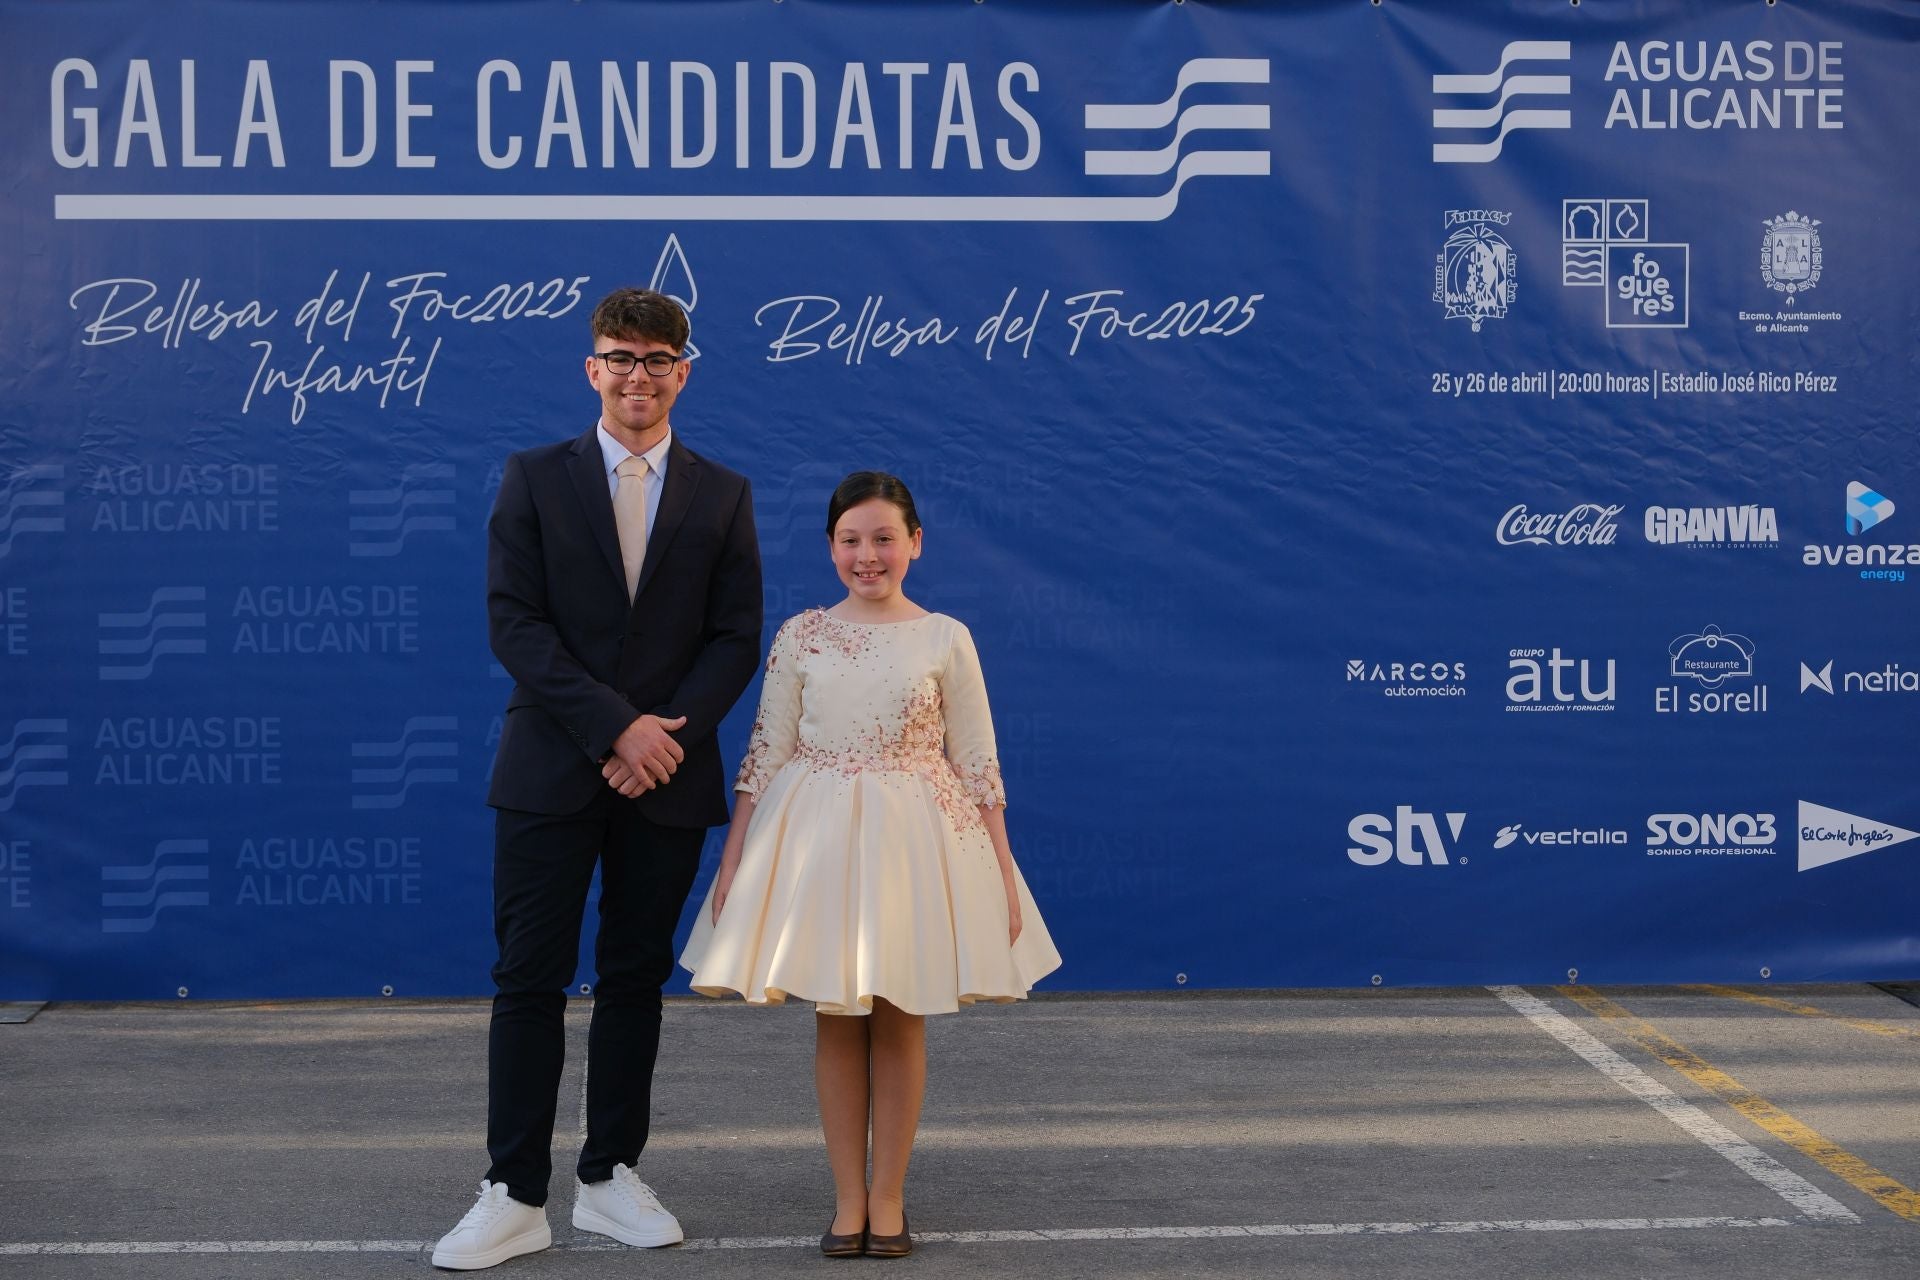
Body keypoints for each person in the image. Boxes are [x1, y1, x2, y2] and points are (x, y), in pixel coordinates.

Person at [433, 288, 763, 1270]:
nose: (638, 375)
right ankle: (514, 1192)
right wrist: (617, 726)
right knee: (528, 977)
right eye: (621, 356)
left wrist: (664, 737)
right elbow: (514, 623)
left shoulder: (723, 492)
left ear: (682, 373)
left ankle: (611, 1175)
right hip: (549, 766)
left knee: (634, 978)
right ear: (593, 368)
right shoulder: (534, 477)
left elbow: (735, 636)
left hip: (668, 775)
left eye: (658, 359)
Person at [679, 470, 1061, 1260]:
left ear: (915, 543)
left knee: (900, 1013)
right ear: (830, 547)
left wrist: (1001, 865)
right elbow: (767, 748)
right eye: (851, 540)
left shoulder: (946, 637)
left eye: (884, 538)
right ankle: (846, 1199)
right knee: (837, 1013)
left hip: (916, 843)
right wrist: (735, 852)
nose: (868, 555)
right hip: (818, 839)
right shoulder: (801, 635)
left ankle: (888, 1197)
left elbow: (977, 759)